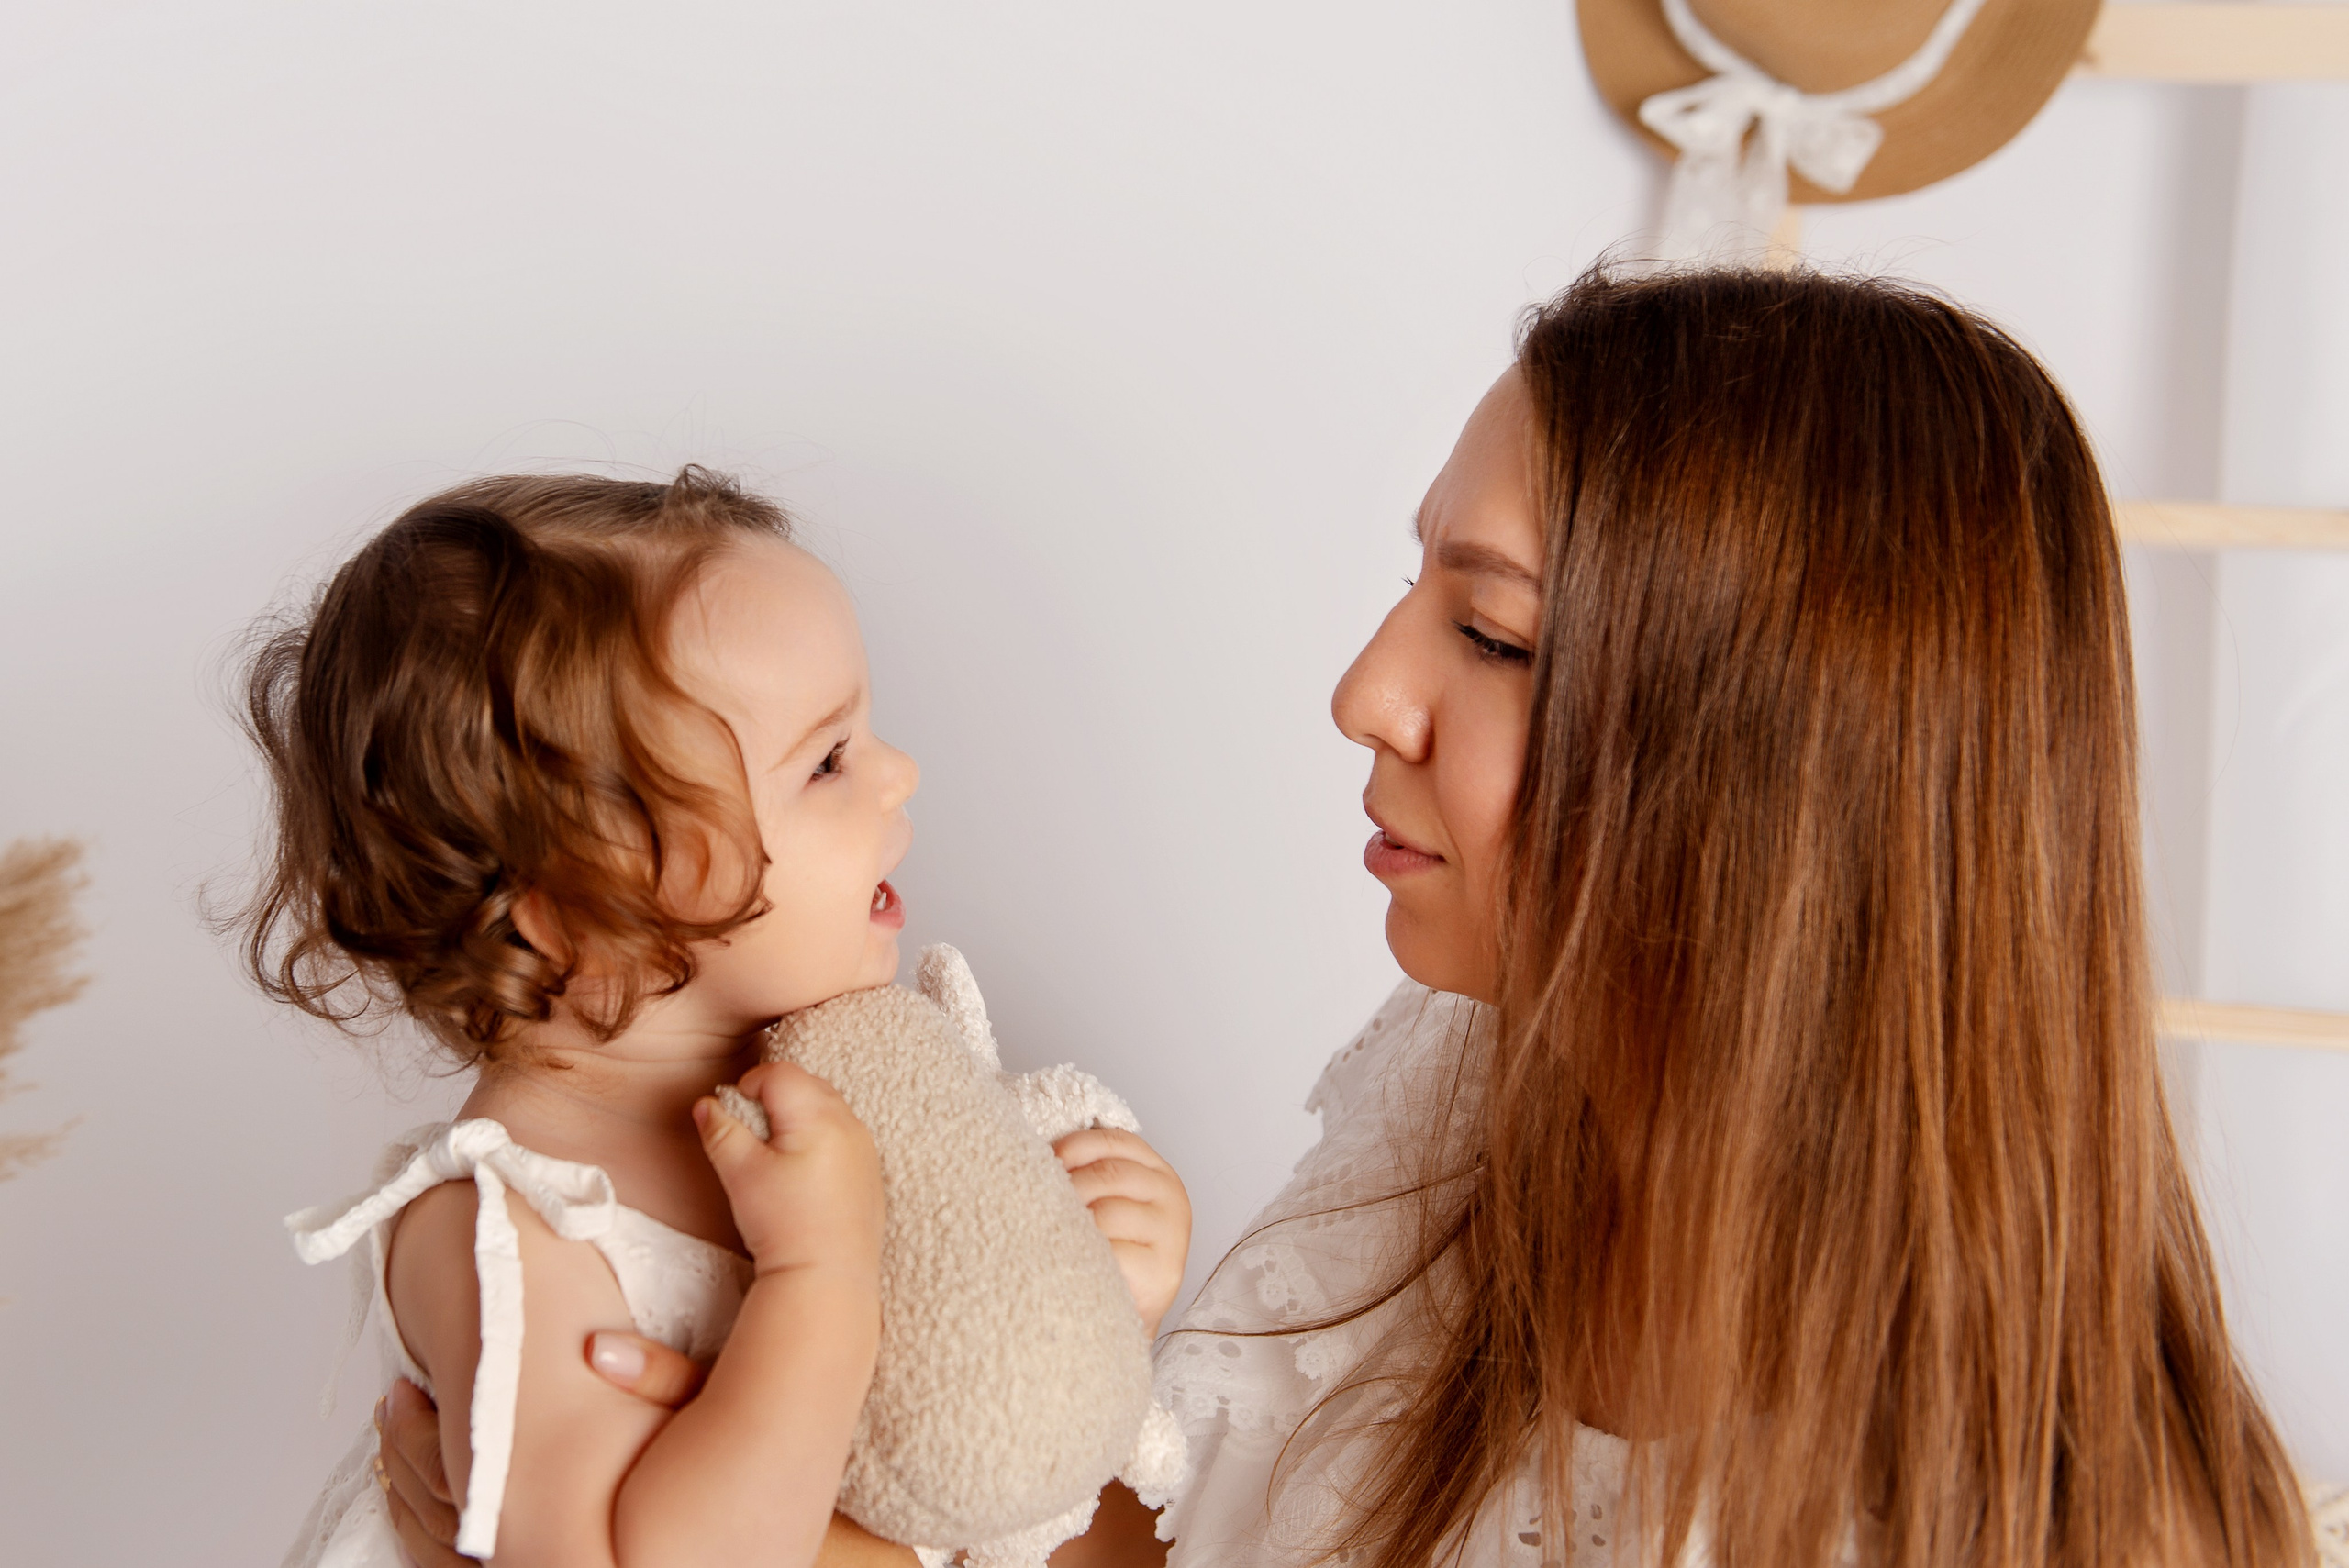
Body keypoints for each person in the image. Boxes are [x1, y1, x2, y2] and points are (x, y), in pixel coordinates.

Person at [382, 269, 2315, 1567]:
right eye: (1419, 592)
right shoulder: (1453, 1096)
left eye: (1494, 636)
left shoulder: (2001, 1508)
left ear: (1771, 769)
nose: (1367, 691)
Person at [249, 471, 1192, 1568]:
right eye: (827, 761)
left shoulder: (847, 1098)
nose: (900, 773)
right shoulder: (506, 1230)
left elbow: (949, 1441)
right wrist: (818, 1270)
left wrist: (1088, 1302)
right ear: (580, 910)